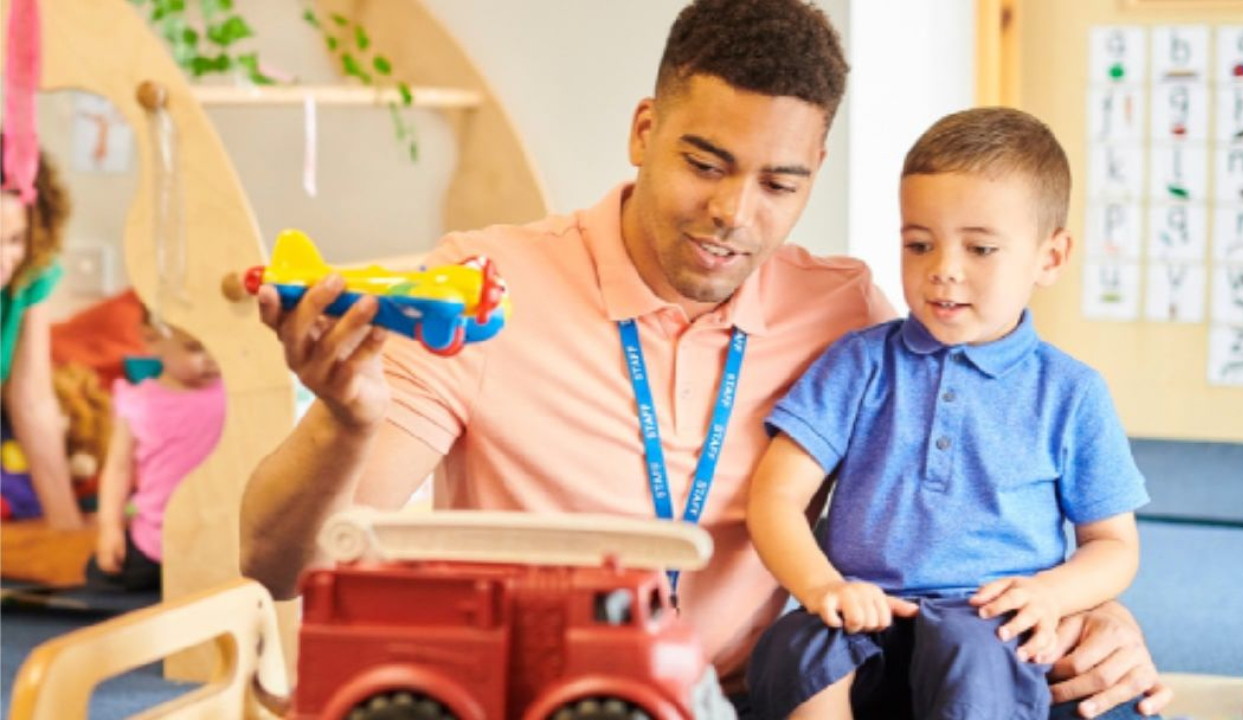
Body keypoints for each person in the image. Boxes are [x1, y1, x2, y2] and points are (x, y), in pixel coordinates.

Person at [240, 1, 1172, 716]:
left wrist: (1093, 610)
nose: (734, 213)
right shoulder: (489, 288)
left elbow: (970, 475)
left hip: (755, 696)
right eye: (705, 162)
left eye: (779, 183)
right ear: (644, 131)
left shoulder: (845, 311)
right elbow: (280, 565)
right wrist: (344, 424)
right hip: (560, 697)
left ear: (814, 172)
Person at [746, 107, 1149, 720]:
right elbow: (775, 497)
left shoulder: (1072, 393)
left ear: (1050, 257)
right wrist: (823, 585)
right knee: (796, 647)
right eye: (919, 244)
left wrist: (1050, 594)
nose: (943, 269)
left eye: (981, 248)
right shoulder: (858, 362)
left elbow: (1113, 545)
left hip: (985, 623)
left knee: (976, 653)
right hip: (864, 614)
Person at [86, 318, 224, 591]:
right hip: (155, 540)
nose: (212, 358)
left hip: (222, 536)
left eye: (219, 346)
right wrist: (110, 528)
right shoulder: (139, 401)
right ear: (152, 340)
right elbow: (118, 469)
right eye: (195, 348)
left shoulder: (237, 395)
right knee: (99, 574)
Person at [0, 142, 84, 530]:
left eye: (14, 240)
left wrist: (66, 524)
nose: (3, 262)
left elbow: (32, 399)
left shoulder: (31, 274)